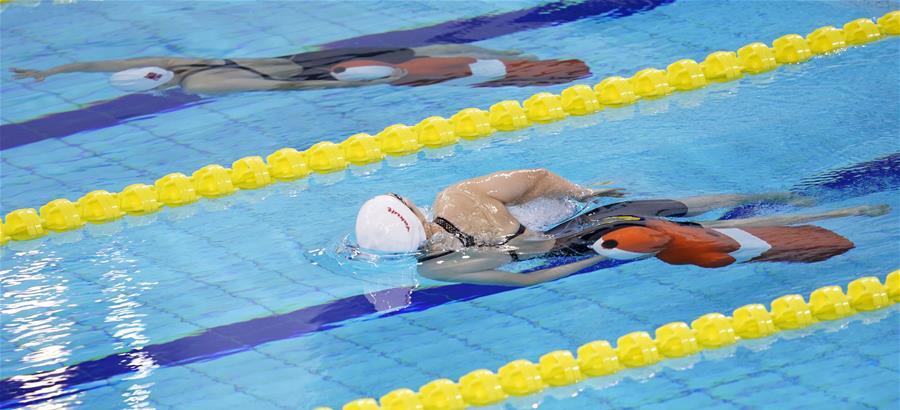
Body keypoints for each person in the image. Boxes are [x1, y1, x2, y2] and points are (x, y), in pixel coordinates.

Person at [353, 168, 889, 286]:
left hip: (575, 244)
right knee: (690, 205)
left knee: (705, 232)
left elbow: (529, 278)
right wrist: (585, 194)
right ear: (409, 207)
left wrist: (594, 258)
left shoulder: (441, 268)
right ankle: (795, 198)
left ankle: (845, 217)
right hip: (592, 218)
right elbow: (538, 179)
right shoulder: (457, 197)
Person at [11, 45, 589, 94]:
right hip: (308, 61)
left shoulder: (203, 82)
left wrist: (335, 83)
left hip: (314, 73)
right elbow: (108, 62)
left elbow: (278, 90)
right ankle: (513, 65)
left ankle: (512, 71)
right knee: (419, 62)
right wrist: (53, 72)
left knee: (414, 74)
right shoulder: (179, 62)